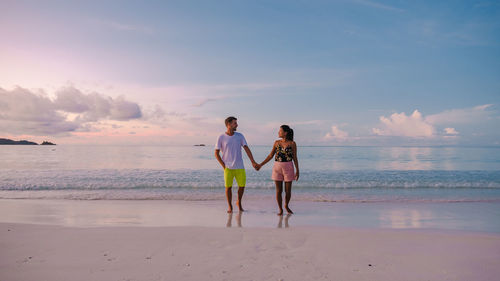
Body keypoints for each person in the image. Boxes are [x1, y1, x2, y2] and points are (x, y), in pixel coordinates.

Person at [215, 116, 258, 213]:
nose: (237, 125)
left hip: (240, 166)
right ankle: (230, 206)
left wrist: (253, 161)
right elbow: (216, 153)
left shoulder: (240, 136)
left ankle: (239, 202)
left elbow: (246, 148)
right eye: (235, 123)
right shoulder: (221, 137)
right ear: (228, 124)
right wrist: (223, 165)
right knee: (228, 187)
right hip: (228, 168)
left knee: (242, 186)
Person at [256, 125, 299, 215]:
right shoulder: (276, 143)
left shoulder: (292, 143)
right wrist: (260, 165)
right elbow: (270, 156)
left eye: (280, 131)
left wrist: (297, 170)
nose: (278, 133)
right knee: (278, 191)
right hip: (277, 168)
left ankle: (286, 205)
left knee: (288, 191)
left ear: (285, 133)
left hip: (289, 168)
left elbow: (295, 157)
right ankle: (280, 209)